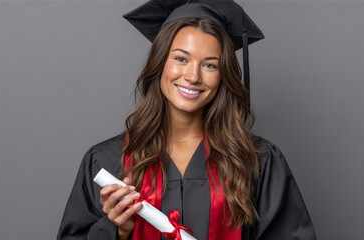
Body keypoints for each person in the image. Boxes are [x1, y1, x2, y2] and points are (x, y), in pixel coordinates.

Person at [57, 1, 317, 239]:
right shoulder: (106, 160)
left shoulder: (258, 162)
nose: (193, 76)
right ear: (160, 64)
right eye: (181, 58)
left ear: (223, 75)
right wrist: (117, 230)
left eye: (210, 65)